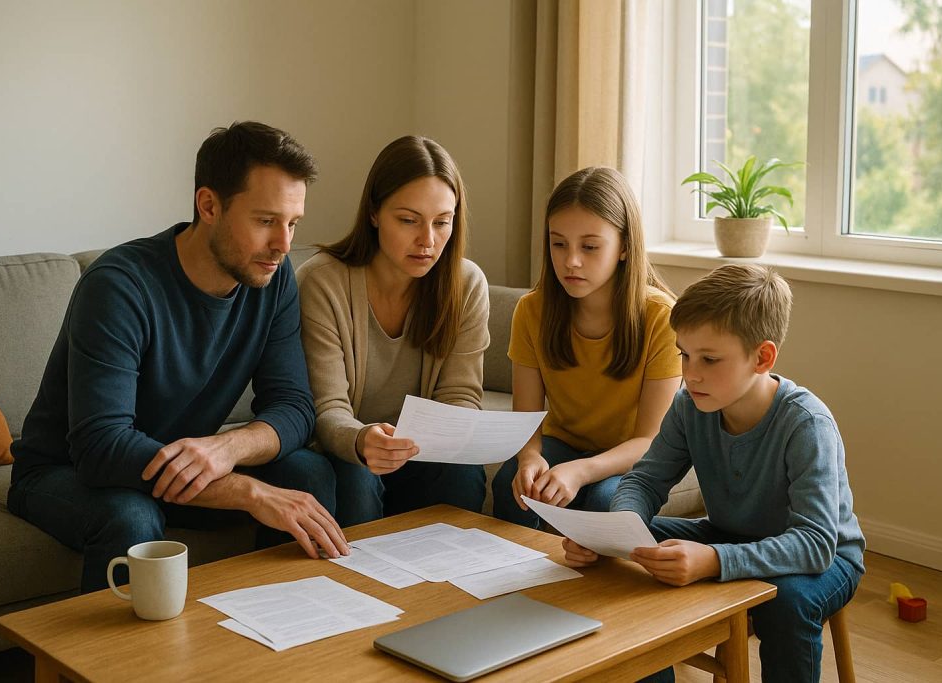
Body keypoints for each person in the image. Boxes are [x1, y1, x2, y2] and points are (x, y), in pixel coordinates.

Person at [8, 121, 348, 594]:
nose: (284, 245)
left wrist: (228, 448)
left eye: (293, 223)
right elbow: (100, 446)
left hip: (185, 466)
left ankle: (281, 637)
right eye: (266, 220)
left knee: (308, 472)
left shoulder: (274, 280)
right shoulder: (119, 286)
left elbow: (294, 408)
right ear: (208, 205)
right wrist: (248, 491)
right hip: (66, 472)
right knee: (131, 515)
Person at [563, 264, 865, 683]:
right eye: (684, 354)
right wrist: (615, 534)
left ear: (762, 357)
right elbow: (646, 480)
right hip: (729, 534)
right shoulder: (691, 404)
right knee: (602, 504)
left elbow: (815, 544)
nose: (691, 373)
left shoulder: (806, 424)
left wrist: (713, 560)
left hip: (824, 558)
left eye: (709, 359)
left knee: (786, 600)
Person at [296, 135, 489, 527]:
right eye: (408, 220)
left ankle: (450, 587)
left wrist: (438, 436)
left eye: (442, 222)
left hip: (418, 452)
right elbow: (327, 408)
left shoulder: (466, 283)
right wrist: (363, 440)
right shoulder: (322, 281)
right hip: (347, 449)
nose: (428, 241)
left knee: (463, 473)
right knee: (355, 476)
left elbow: (460, 395)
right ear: (373, 213)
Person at [492, 166, 681, 528]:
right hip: (563, 444)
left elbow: (649, 441)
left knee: (602, 501)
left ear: (624, 247)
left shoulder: (660, 318)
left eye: (590, 247)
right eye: (558, 243)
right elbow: (526, 421)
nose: (571, 261)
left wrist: (581, 471)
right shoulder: (532, 310)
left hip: (634, 456)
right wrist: (530, 458)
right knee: (511, 486)